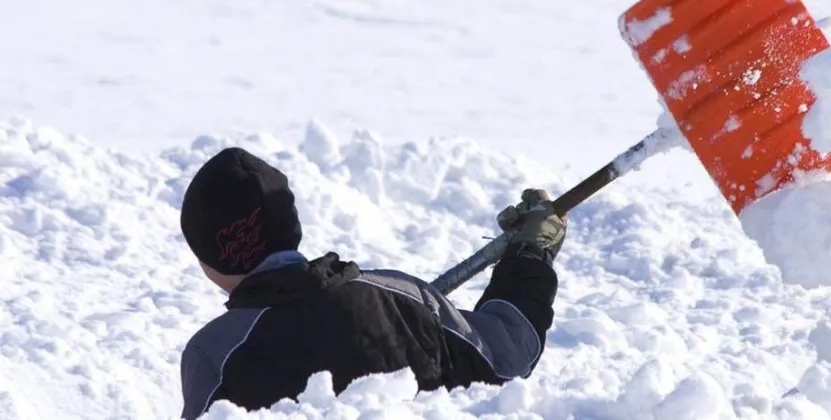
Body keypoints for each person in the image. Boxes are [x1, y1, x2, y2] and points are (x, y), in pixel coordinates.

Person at [178, 147, 567, 419]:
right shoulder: (404, 297)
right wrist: (531, 253)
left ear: (209, 258)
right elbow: (508, 354)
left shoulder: (214, 353)